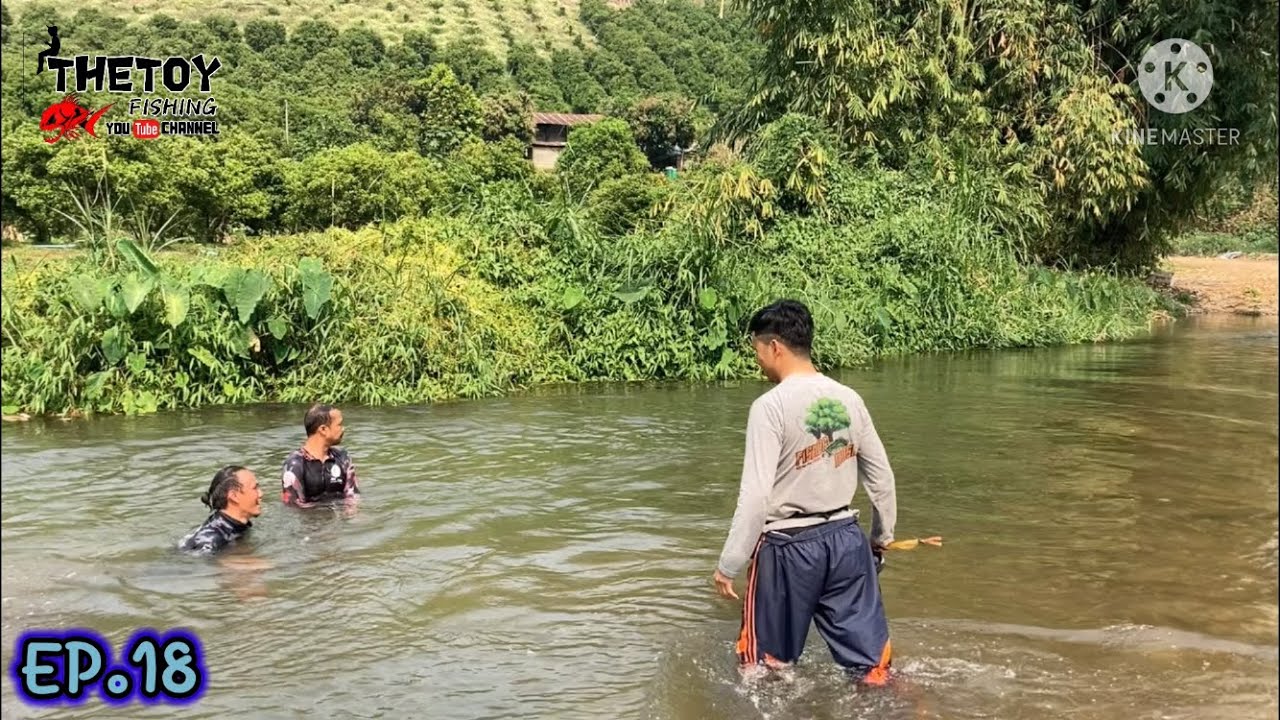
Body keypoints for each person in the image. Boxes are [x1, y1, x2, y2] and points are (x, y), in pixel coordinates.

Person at [712, 299, 898, 685]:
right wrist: (880, 540)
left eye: (757, 351)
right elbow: (881, 478)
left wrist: (729, 562)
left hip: (787, 548)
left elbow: (756, 496)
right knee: (872, 669)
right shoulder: (850, 398)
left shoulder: (770, 406)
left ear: (775, 346)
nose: (758, 361)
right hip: (847, 541)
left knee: (763, 670)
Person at [281, 404, 360, 507]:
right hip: (310, 521)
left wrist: (351, 515)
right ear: (323, 429)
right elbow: (294, 507)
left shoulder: (343, 458)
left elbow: (352, 496)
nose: (343, 429)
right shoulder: (295, 464)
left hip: (337, 519)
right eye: (339, 425)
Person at [179, 465, 263, 555]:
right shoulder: (210, 542)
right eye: (255, 488)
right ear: (234, 496)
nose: (261, 494)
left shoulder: (231, 527)